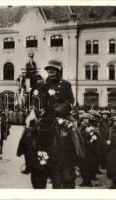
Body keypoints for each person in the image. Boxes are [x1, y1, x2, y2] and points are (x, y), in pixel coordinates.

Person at [27, 59, 77, 189]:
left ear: (58, 71)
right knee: (28, 133)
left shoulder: (65, 85)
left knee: (73, 133)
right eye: (49, 69)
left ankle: (74, 163)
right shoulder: (41, 84)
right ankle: (28, 163)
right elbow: (35, 100)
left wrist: (58, 111)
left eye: (53, 69)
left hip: (61, 115)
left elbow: (70, 101)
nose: (51, 71)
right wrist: (34, 111)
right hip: (43, 116)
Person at [79, 113, 98, 187]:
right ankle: (84, 181)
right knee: (82, 166)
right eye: (84, 119)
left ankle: (89, 181)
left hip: (90, 150)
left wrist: (93, 138)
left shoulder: (92, 128)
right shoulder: (80, 128)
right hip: (83, 149)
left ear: (89, 120)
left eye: (87, 119)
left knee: (89, 165)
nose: (85, 120)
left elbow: (96, 137)